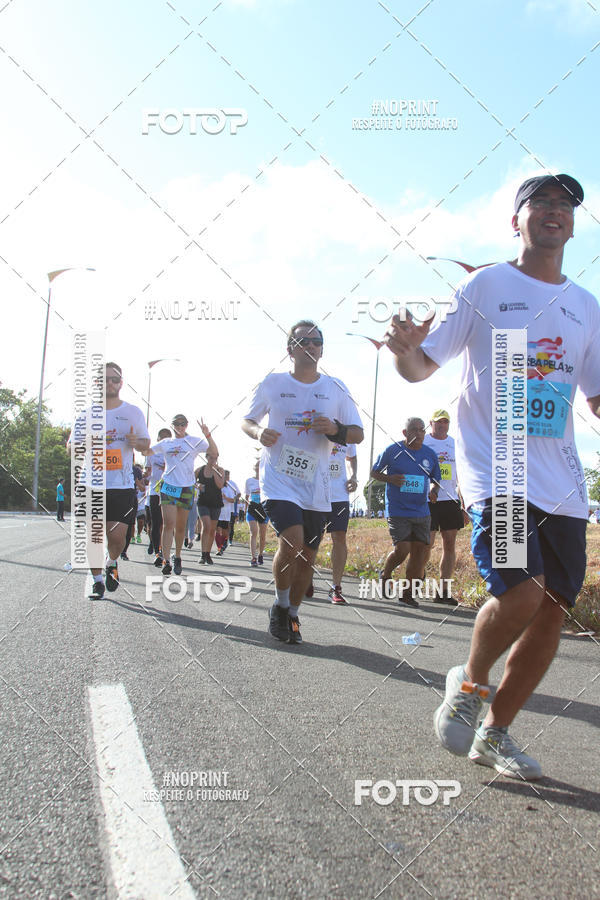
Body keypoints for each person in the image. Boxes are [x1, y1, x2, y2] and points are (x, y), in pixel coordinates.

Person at [385, 172, 600, 780]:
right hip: (497, 471)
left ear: (575, 224)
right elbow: (421, 367)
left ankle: (495, 734)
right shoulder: (484, 285)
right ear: (517, 221)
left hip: (560, 481)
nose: (555, 213)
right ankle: (471, 681)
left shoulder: (587, 306)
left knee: (554, 609)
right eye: (542, 204)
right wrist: (403, 349)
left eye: (566, 206)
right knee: (522, 591)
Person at [242, 320, 364, 644]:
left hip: (317, 484)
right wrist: (258, 432)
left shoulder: (336, 388)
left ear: (322, 349)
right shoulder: (273, 383)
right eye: (303, 341)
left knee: (308, 556)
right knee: (292, 541)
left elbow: (358, 434)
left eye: (316, 341)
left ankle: (292, 613)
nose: (310, 346)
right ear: (290, 349)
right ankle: (280, 606)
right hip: (279, 478)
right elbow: (248, 420)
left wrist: (335, 429)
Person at [67, 362, 150, 598]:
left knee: (116, 538)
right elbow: (70, 448)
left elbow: (146, 445)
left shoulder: (133, 412)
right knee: (94, 536)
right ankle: (97, 581)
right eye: (104, 379)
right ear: (97, 384)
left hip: (121, 485)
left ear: (121, 383)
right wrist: (86, 443)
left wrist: (137, 443)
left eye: (114, 379)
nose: (110, 383)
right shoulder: (86, 413)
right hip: (91, 483)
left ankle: (111, 561)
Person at [372, 417, 441, 608]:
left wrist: (433, 491)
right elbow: (374, 473)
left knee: (419, 553)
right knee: (403, 550)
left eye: (422, 430)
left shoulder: (430, 454)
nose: (419, 434)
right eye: (414, 430)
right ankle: (386, 574)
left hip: (422, 510)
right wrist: (390, 479)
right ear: (405, 432)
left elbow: (436, 479)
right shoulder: (393, 451)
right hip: (398, 509)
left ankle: (407, 594)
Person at [146, 415, 217, 576]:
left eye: (182, 424)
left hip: (186, 487)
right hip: (169, 486)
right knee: (168, 524)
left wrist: (207, 434)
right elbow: (147, 450)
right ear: (171, 426)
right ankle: (166, 560)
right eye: (176, 424)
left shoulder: (193, 440)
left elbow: (213, 451)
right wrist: (140, 438)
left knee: (180, 526)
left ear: (187, 425)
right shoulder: (166, 443)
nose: (179, 426)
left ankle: (177, 556)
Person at [422, 410, 466, 605]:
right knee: (427, 544)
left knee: (449, 544)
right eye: (438, 422)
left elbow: (462, 477)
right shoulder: (423, 443)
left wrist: (464, 505)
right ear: (431, 423)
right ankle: (417, 574)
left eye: (445, 422)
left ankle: (444, 591)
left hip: (450, 500)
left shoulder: (455, 445)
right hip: (428, 500)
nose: (442, 426)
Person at [196, 451, 225, 564]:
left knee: (212, 529)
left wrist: (215, 470)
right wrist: (197, 485)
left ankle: (208, 553)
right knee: (206, 526)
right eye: (211, 458)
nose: (213, 460)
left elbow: (220, 485)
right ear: (206, 457)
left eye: (215, 458)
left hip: (216, 502)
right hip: (203, 502)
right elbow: (191, 480)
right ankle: (203, 554)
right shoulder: (199, 470)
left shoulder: (220, 470)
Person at [147, 428, 171, 567]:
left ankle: (165, 553)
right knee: (156, 523)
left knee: (168, 524)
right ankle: (158, 552)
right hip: (154, 491)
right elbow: (148, 470)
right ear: (157, 440)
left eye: (167, 439)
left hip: (169, 491)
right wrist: (144, 478)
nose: (164, 441)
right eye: (162, 438)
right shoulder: (151, 453)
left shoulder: (174, 453)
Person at [245, 459, 269, 566]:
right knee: (253, 532)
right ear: (254, 468)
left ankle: (260, 555)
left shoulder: (267, 480)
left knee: (262, 535)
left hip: (263, 508)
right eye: (256, 466)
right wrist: (246, 509)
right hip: (252, 508)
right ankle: (253, 557)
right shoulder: (249, 481)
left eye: (260, 465)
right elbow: (246, 496)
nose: (258, 468)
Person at [215, 472, 237, 555]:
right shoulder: (217, 486)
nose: (225, 478)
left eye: (227, 476)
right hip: (218, 511)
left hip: (226, 512)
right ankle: (219, 548)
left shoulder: (229, 488)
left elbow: (233, 500)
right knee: (217, 529)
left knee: (225, 531)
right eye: (224, 476)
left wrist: (225, 497)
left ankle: (224, 543)